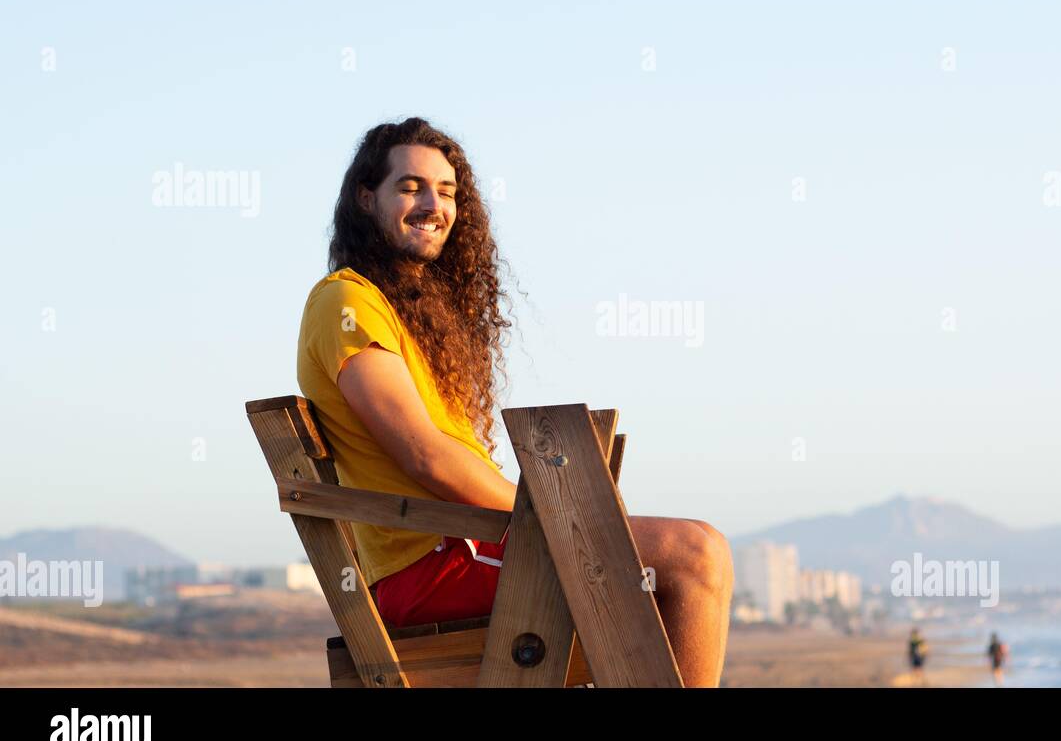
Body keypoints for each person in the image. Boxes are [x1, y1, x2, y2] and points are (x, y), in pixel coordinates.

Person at [296, 118, 734, 686]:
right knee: (694, 555)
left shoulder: (404, 313)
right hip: (431, 566)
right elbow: (425, 456)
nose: (434, 205)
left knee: (673, 569)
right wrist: (549, 516)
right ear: (365, 197)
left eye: (448, 192)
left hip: (465, 550)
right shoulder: (347, 303)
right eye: (411, 187)